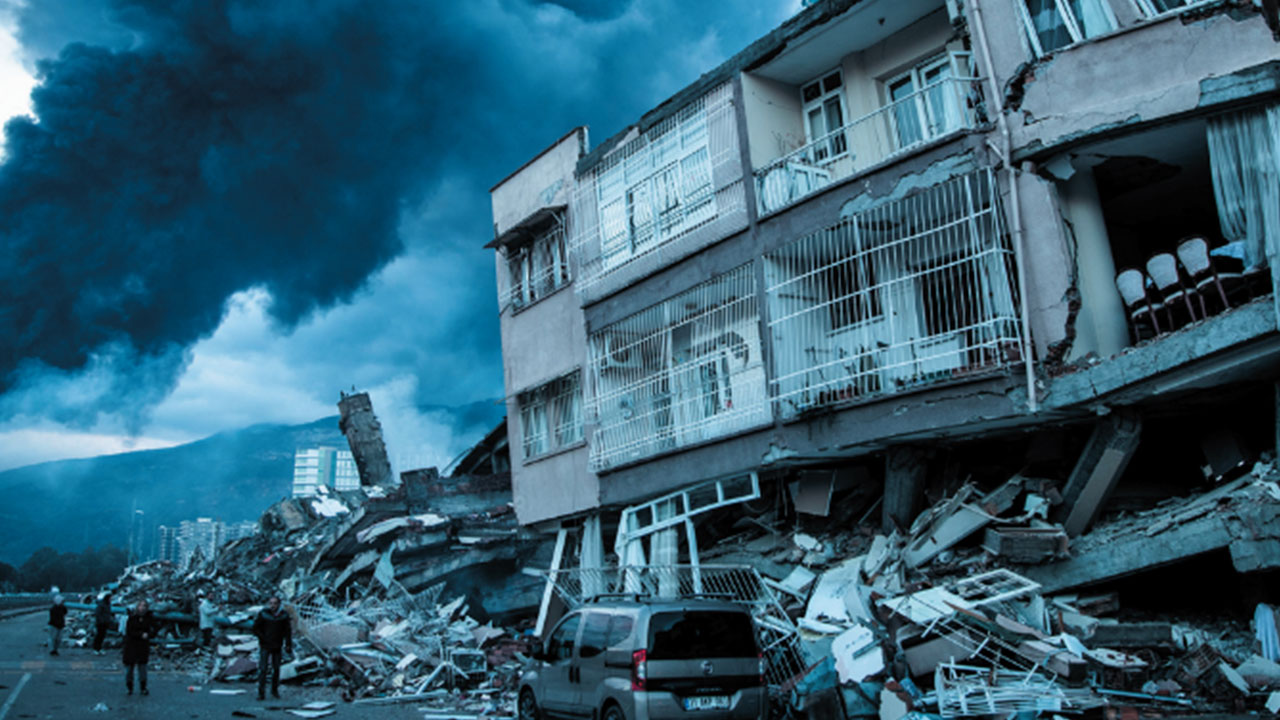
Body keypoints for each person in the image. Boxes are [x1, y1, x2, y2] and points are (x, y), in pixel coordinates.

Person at [252, 596, 292, 700]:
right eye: (271, 603)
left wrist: (288, 644)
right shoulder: (264, 614)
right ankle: (261, 693)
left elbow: (287, 631)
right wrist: (263, 638)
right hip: (265, 645)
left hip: (277, 645)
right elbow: (256, 628)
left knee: (276, 669)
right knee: (263, 669)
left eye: (275, 603)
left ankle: (274, 690)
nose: (272, 606)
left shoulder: (283, 616)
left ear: (279, 604)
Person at [123, 599, 155, 696]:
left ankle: (143, 687)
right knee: (129, 669)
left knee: (142, 668)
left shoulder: (149, 618)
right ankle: (129, 687)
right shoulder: (132, 618)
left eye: (144, 606)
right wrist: (141, 634)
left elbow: (154, 630)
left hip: (143, 646)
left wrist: (149, 635)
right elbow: (129, 631)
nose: (142, 608)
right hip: (131, 645)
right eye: (141, 605)